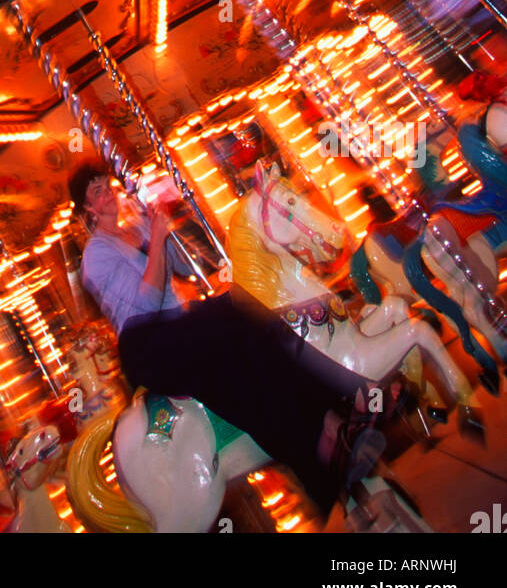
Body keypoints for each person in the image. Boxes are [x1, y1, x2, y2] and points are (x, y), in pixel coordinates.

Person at [68, 162, 386, 517]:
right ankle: (343, 401)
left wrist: (175, 221)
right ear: (88, 210)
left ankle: (326, 429)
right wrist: (156, 238)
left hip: (175, 326)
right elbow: (146, 300)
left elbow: (186, 266)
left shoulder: (132, 230)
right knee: (236, 310)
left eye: (104, 184)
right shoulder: (96, 254)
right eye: (95, 192)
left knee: (252, 352)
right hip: (149, 344)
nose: (105, 192)